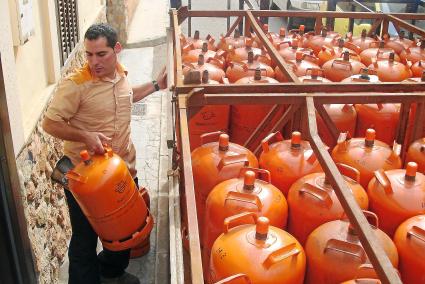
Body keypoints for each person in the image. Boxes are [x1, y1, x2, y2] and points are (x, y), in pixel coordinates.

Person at [42, 23, 167, 284]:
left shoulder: (121, 75)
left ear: (117, 49)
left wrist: (156, 85)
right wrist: (85, 136)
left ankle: (110, 271)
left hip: (122, 170)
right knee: (85, 239)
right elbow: (50, 123)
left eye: (101, 54)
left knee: (125, 232)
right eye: (89, 54)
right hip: (88, 181)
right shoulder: (76, 84)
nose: (94, 62)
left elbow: (128, 97)